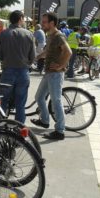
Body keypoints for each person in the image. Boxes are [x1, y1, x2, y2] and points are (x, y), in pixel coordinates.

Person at [32, 12, 72, 140]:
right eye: (42, 21)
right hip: (48, 73)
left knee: (56, 101)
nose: (42, 24)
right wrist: (37, 57)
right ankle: (45, 120)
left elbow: (68, 52)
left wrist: (61, 66)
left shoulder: (58, 36)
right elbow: (47, 52)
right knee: (39, 97)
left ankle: (60, 131)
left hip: (55, 74)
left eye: (45, 22)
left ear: (52, 23)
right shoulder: (50, 36)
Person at [0, 10, 35, 123]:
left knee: (3, 101)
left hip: (7, 71)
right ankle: (19, 129)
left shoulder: (3, 34)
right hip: (23, 72)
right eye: (23, 19)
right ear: (20, 19)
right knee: (20, 103)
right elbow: (33, 57)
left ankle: (1, 126)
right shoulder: (28, 34)